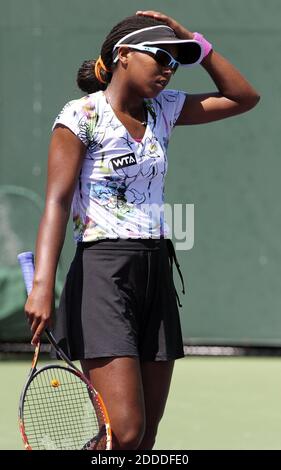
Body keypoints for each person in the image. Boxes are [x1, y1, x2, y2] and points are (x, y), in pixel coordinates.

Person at [24, 10, 260, 450]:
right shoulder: (81, 116)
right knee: (124, 433)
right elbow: (55, 203)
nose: (169, 68)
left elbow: (243, 96)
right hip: (103, 275)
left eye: (177, 60)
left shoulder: (165, 110)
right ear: (123, 56)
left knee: (144, 439)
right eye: (161, 56)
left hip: (156, 272)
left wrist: (196, 42)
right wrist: (42, 285)